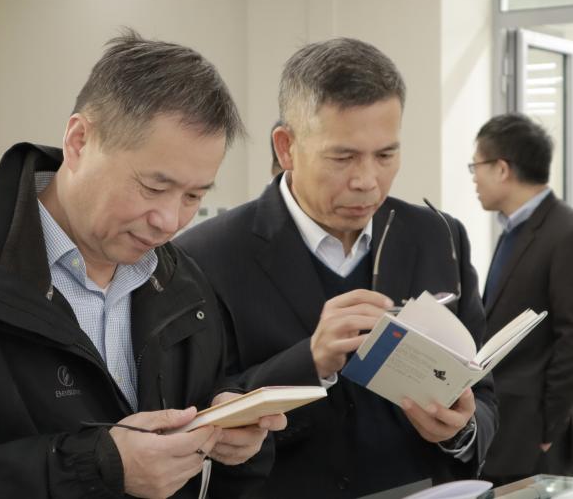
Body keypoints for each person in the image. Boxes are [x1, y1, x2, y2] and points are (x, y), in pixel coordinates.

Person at [0, 30, 285, 499]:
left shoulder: (180, 280)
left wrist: (230, 437)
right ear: (79, 141)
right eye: (153, 187)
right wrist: (95, 467)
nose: (169, 220)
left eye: (194, 196)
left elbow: (200, 411)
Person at [176, 37, 498, 498]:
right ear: (286, 147)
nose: (367, 181)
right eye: (343, 157)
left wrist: (460, 428)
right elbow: (199, 412)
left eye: (385, 155)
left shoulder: (438, 236)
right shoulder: (207, 255)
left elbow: (483, 393)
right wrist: (310, 362)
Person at [471, 113, 573, 485]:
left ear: (502, 169)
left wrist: (550, 428)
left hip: (533, 438)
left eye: (476, 166)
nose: (473, 178)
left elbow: (570, 336)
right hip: (504, 429)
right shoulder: (514, 228)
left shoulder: (563, 230)